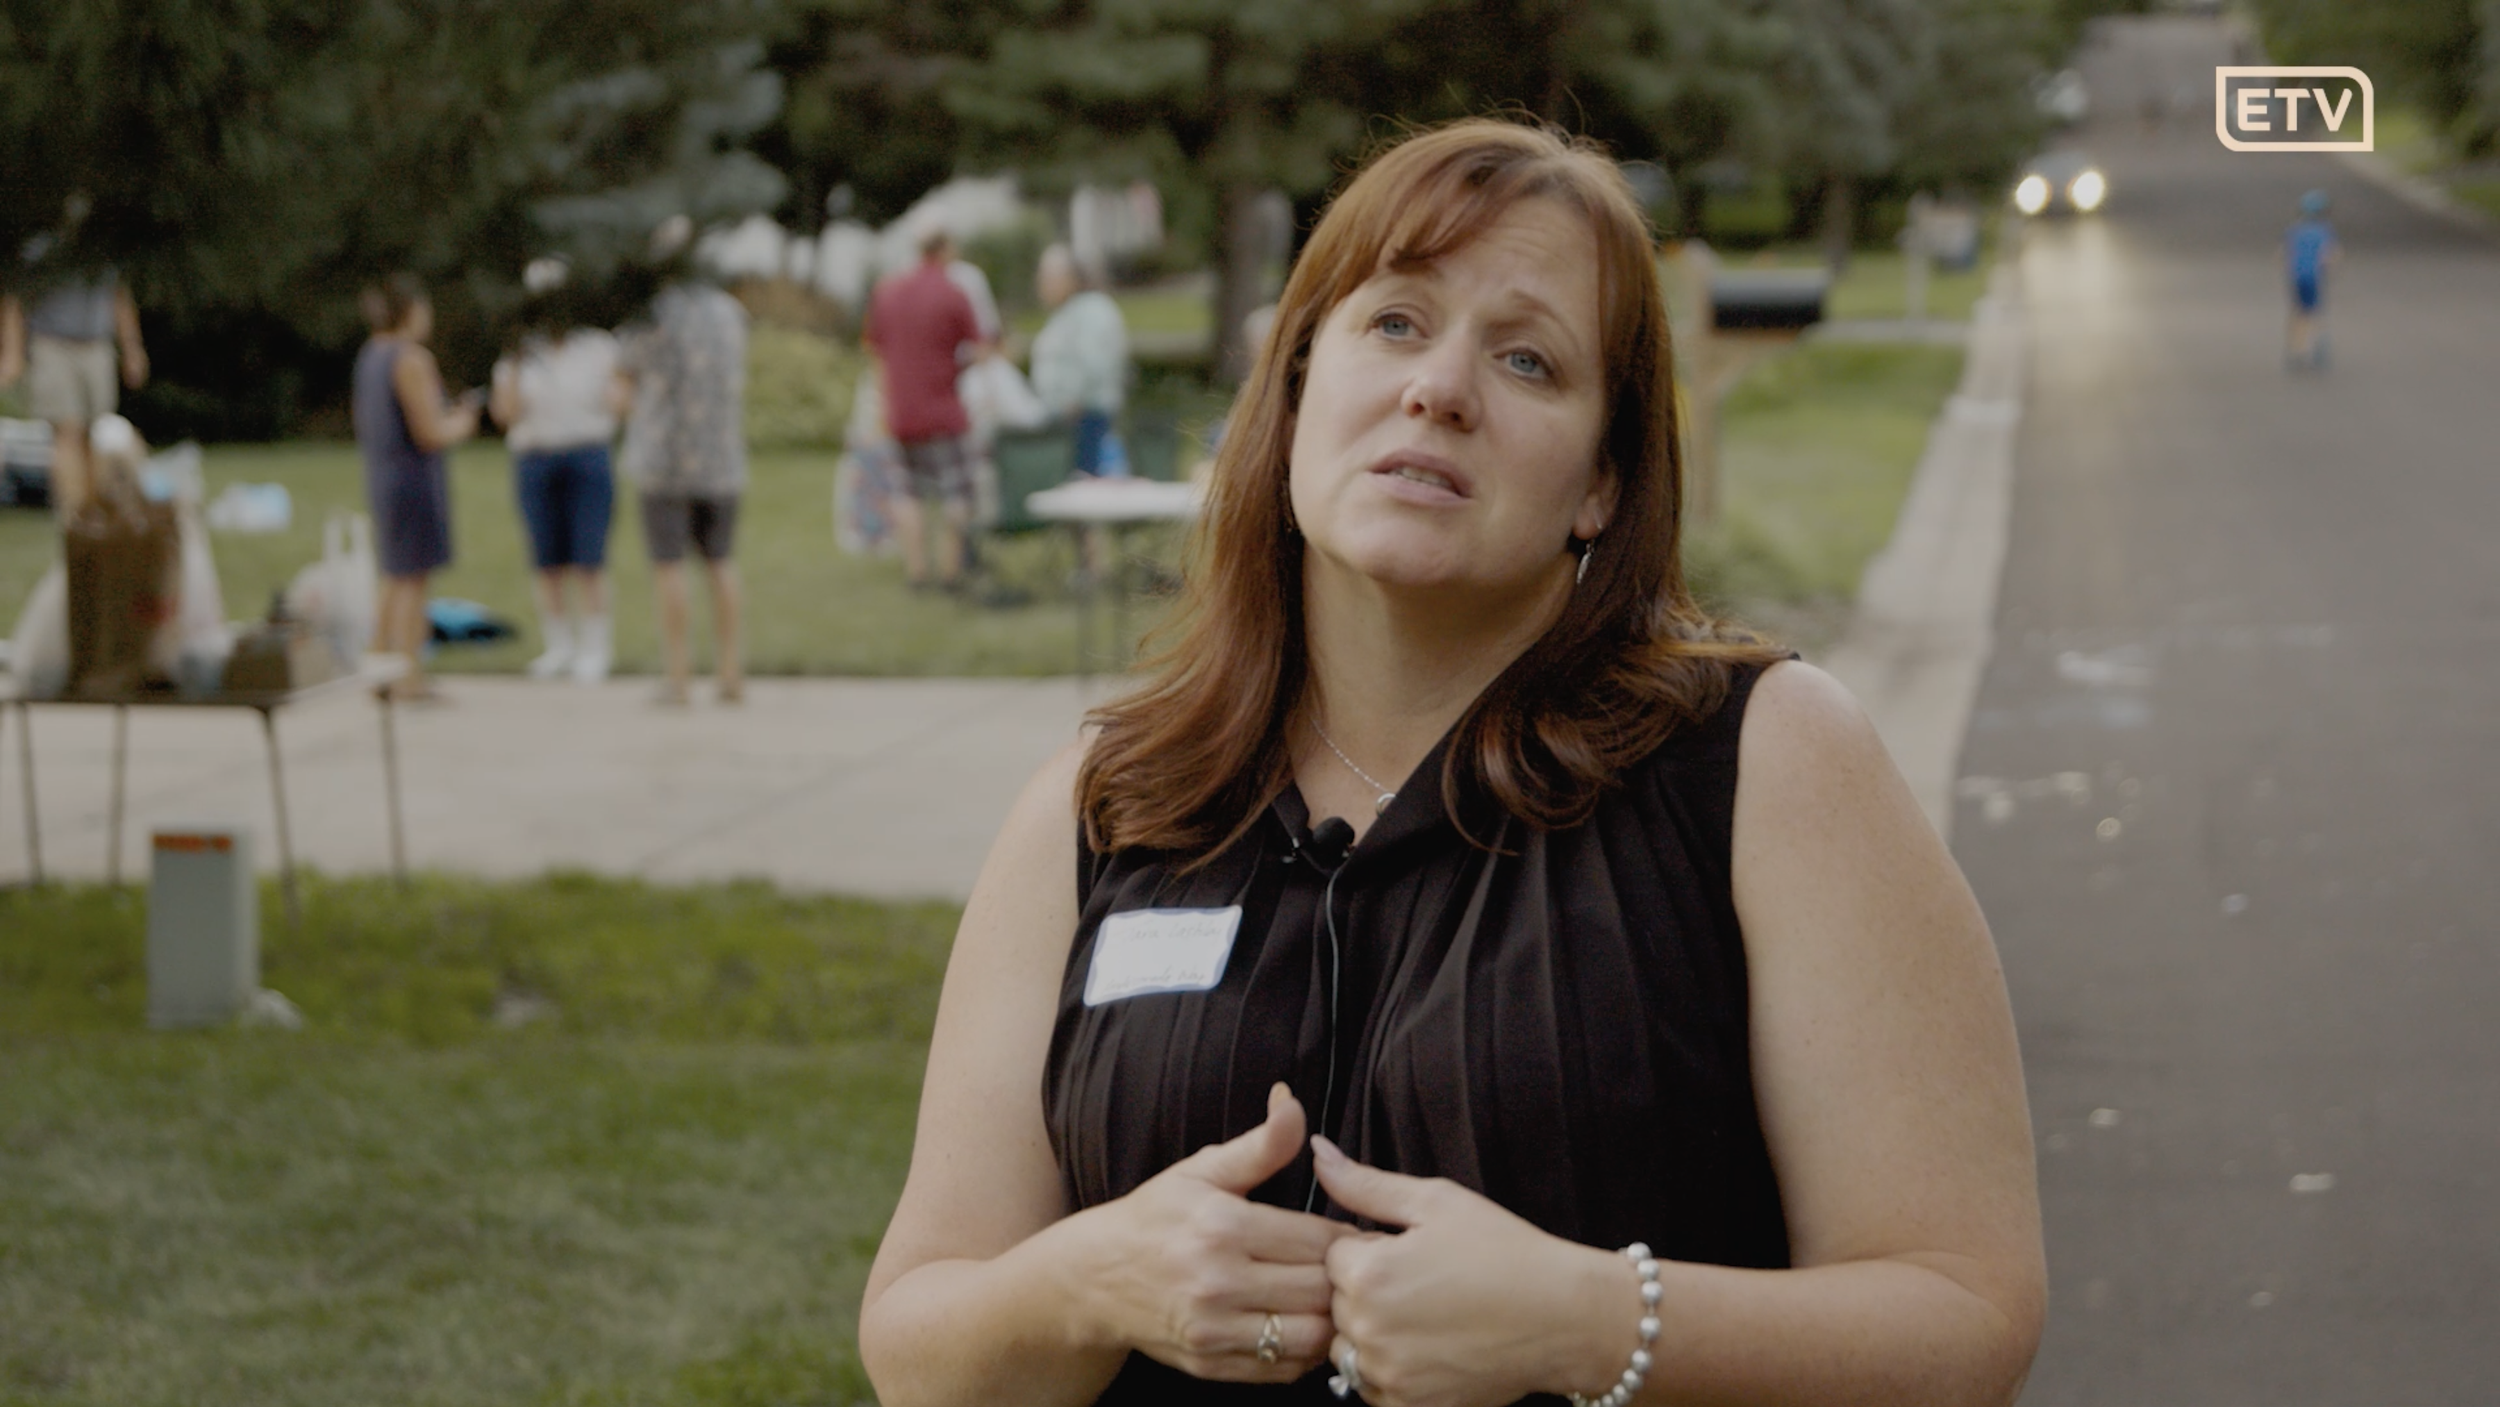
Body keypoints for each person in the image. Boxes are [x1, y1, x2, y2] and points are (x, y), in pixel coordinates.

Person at [858, 119, 2044, 1407]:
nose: (1440, 388)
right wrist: (1084, 1284)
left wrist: (1592, 1322)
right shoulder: (1101, 807)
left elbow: (1965, 1317)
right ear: (1295, 389)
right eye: (1395, 323)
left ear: (1600, 482)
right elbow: (915, 1347)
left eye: (1527, 360)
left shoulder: (1766, 764)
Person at [615, 218, 749, 706]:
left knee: (670, 566)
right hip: (721, 458)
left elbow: (622, 387)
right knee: (721, 562)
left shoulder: (649, 315)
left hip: (664, 459)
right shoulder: (730, 312)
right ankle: (730, 672)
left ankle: (679, 678)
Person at [353, 273, 479, 704]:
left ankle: (378, 662)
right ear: (409, 311)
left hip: (382, 474)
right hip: (413, 480)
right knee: (413, 578)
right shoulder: (411, 359)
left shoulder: (370, 354)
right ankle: (408, 675)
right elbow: (428, 431)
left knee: (393, 576)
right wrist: (462, 422)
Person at [491, 269, 621, 684]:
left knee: (588, 557)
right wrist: (515, 365)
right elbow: (506, 415)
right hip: (536, 458)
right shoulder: (519, 356)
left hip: (587, 455)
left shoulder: (598, 347)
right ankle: (559, 646)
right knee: (546, 559)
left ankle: (595, 647)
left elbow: (618, 402)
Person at [0, 196, 149, 520]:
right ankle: (72, 515)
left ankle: (95, 511)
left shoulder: (104, 254)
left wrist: (132, 349)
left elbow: (119, 299)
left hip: (96, 346)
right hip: (53, 345)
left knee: (96, 432)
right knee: (66, 431)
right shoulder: (41, 251)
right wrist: (12, 354)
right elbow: (15, 300)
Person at [865, 229, 983, 591]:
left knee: (907, 493)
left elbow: (876, 352)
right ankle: (950, 572)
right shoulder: (953, 292)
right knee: (956, 494)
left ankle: (916, 573)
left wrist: (885, 403)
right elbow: (979, 349)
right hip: (943, 411)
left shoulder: (888, 291)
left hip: (901, 412)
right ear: (945, 250)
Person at [1028, 244, 1130, 477]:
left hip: (1084, 418)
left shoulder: (1093, 310)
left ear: (1072, 278)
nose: (1042, 284)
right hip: (1066, 419)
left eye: (1049, 277)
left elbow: (1095, 362)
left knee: (1085, 483)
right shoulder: (1067, 311)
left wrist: (1073, 400)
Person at [2284, 188, 2340, 371]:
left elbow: (2284, 254)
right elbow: (2329, 255)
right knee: (2314, 312)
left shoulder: (2294, 230)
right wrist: (2331, 271)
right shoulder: (2325, 230)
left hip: (2297, 275)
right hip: (2314, 276)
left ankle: (2297, 348)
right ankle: (2315, 346)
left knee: (2299, 312)